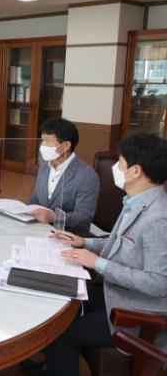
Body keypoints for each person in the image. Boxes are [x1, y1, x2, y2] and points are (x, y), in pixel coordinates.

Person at [44, 132, 167, 376]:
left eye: (120, 162)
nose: (116, 167)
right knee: (59, 301)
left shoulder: (159, 218)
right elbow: (121, 245)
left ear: (135, 171)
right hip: (114, 291)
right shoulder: (137, 200)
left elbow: (159, 283)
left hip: (134, 311)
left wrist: (99, 264)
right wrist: (85, 243)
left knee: (59, 334)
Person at [28, 118, 99, 236]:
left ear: (66, 145)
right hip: (40, 228)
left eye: (47, 141)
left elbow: (84, 217)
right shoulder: (45, 165)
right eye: (42, 140)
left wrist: (54, 217)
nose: (42, 146)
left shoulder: (87, 175)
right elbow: (37, 197)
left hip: (69, 236)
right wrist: (25, 211)